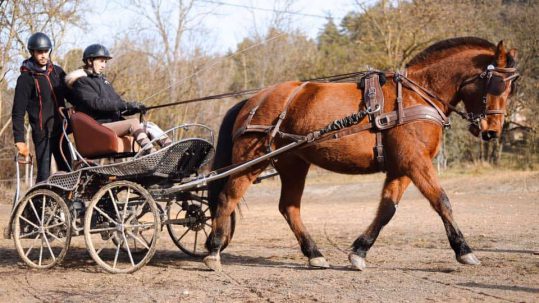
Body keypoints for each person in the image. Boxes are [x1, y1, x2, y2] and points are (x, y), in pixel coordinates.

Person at [65, 44, 170, 154]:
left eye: (105, 62)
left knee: (149, 126)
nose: (104, 65)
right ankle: (153, 154)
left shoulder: (104, 82)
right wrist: (125, 105)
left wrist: (133, 108)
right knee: (133, 123)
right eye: (101, 61)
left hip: (113, 123)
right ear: (90, 61)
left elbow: (117, 103)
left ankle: (170, 150)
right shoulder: (82, 82)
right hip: (98, 127)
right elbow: (96, 104)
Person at [12, 32, 72, 182]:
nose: (44, 55)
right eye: (40, 52)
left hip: (61, 130)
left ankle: (66, 203)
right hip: (42, 133)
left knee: (68, 171)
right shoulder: (25, 79)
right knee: (44, 175)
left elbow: (72, 96)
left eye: (46, 51)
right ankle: (40, 204)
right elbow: (18, 112)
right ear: (32, 52)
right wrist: (19, 140)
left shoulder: (57, 72)